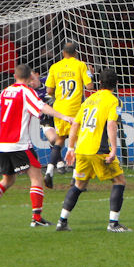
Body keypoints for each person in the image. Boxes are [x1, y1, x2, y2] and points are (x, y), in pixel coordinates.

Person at [0, 64, 73, 227]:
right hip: (18, 143)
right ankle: (37, 218)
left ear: (14, 76)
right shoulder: (27, 92)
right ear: (28, 77)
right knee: (37, 177)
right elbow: (42, 107)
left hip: (3, 143)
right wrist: (65, 117)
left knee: (8, 179)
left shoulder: (5, 91)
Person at [55, 69, 131, 232]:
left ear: (99, 83)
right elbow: (111, 124)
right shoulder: (113, 100)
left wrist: (70, 147)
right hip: (98, 150)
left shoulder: (89, 100)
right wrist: (114, 149)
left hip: (82, 149)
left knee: (79, 184)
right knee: (119, 181)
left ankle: (62, 221)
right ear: (116, 84)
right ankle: (113, 224)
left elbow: (75, 123)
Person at [45, 43, 94, 176]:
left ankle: (49, 171)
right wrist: (91, 73)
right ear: (76, 53)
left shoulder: (55, 67)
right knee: (78, 141)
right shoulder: (81, 65)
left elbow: (49, 90)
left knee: (60, 140)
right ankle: (75, 177)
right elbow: (90, 86)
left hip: (60, 109)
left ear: (63, 53)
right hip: (75, 109)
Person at [28, 71, 58, 188]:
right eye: (29, 81)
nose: (31, 83)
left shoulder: (48, 81)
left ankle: (75, 173)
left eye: (32, 79)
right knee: (54, 139)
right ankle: (59, 163)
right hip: (47, 120)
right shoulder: (32, 93)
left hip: (60, 115)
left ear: (37, 74)